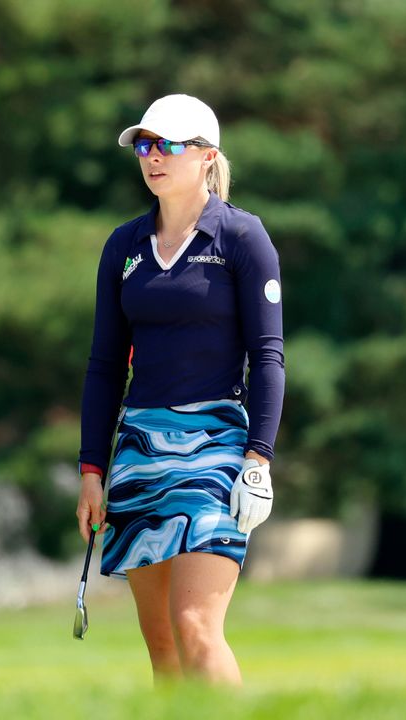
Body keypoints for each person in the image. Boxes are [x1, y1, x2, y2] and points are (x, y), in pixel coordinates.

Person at [75, 94, 284, 685]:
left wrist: (258, 459)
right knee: (161, 643)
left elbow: (269, 358)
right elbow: (104, 365)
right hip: (139, 448)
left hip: (217, 445)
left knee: (195, 626)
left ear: (206, 156)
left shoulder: (243, 237)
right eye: (144, 145)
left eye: (167, 145)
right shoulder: (124, 246)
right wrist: (92, 469)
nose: (152, 157)